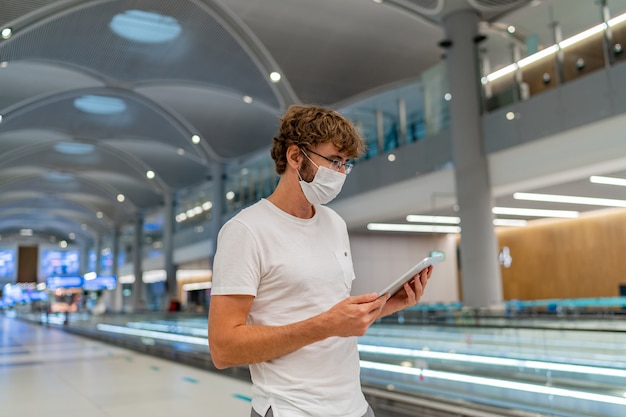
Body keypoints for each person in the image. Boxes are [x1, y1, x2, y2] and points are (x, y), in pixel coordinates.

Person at [208, 104, 433, 417]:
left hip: (354, 406)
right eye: (334, 161)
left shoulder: (335, 224)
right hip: (292, 409)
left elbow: (331, 315)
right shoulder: (246, 231)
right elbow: (223, 348)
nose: (340, 174)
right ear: (295, 157)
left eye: (345, 165)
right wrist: (323, 326)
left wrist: (387, 305)